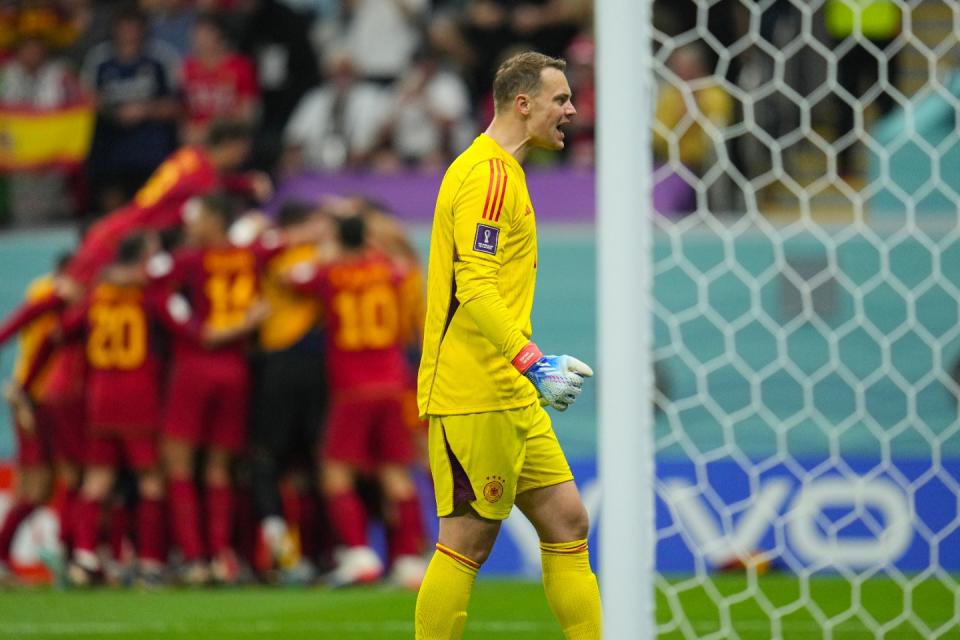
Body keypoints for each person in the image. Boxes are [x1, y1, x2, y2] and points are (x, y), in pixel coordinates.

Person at [414, 51, 601, 639]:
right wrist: (532, 361)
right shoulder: (487, 176)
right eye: (561, 99)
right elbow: (473, 285)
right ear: (524, 104)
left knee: (568, 520)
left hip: (511, 391)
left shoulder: (505, 172)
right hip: (473, 393)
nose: (572, 110)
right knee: (468, 539)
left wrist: (525, 370)